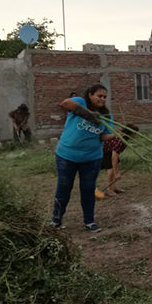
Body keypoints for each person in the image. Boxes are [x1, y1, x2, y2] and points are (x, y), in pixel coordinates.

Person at [51, 84, 115, 232]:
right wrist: (88, 114)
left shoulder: (106, 116)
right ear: (90, 95)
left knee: (88, 189)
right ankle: (56, 219)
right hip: (67, 155)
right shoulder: (80, 102)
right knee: (64, 187)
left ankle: (89, 221)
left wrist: (120, 134)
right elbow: (66, 103)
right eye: (99, 96)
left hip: (91, 158)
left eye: (105, 97)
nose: (102, 99)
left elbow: (103, 136)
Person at [101, 124, 139, 196]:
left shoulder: (124, 138)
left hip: (110, 152)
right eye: (135, 133)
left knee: (118, 164)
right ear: (131, 133)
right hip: (104, 152)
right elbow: (114, 157)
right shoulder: (120, 140)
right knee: (111, 169)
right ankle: (109, 189)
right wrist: (116, 173)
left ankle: (114, 187)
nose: (136, 135)